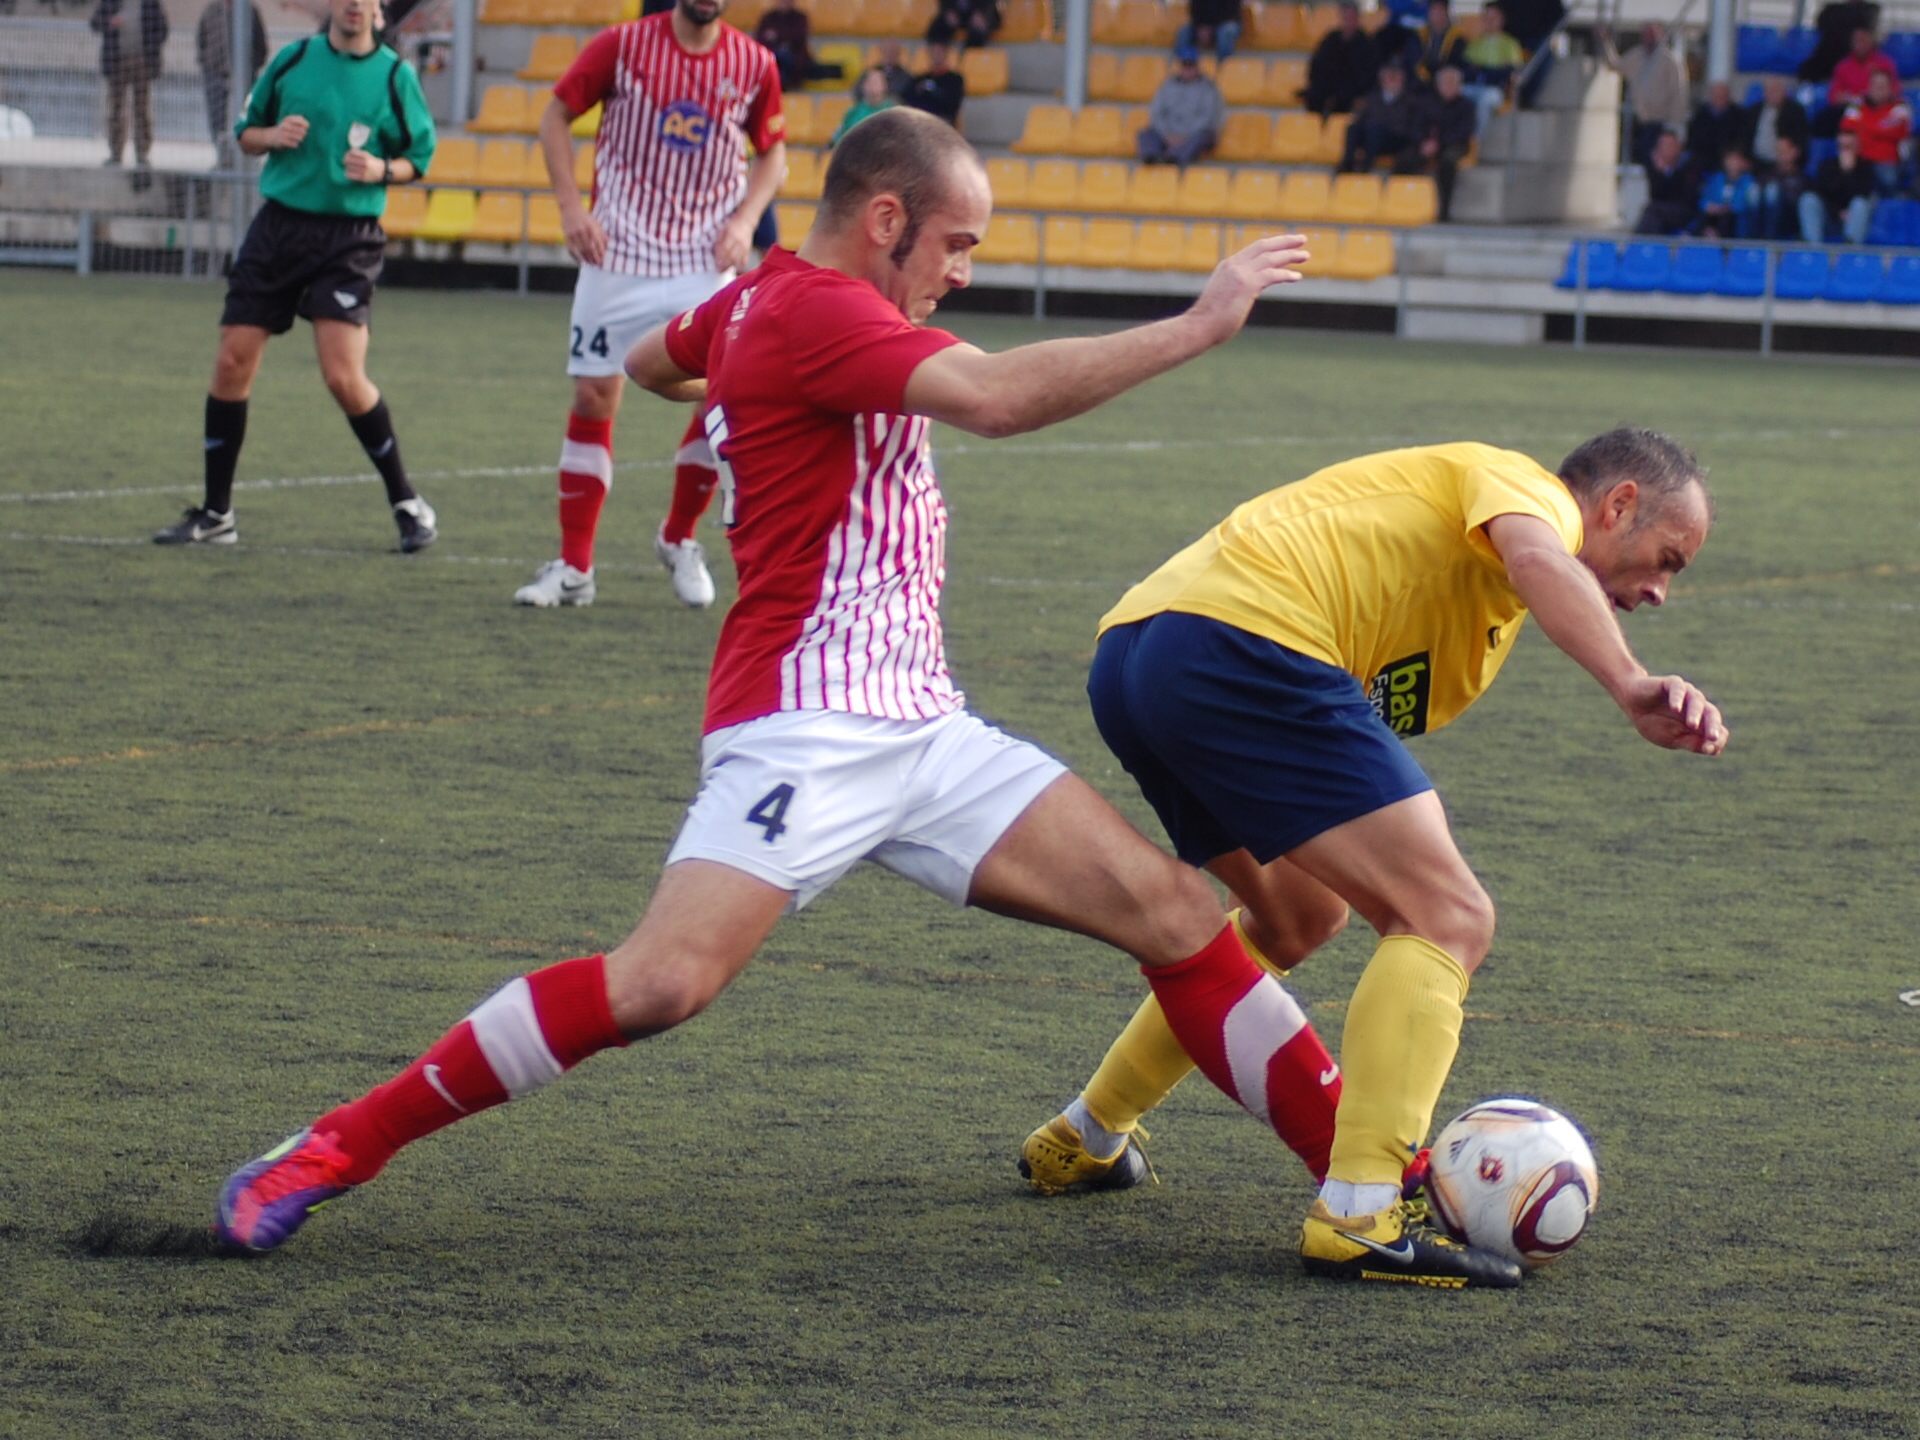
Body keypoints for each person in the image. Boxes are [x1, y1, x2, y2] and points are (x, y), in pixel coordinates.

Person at [209, 108, 1323, 1270]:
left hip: (926, 726)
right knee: (662, 983)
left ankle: (1366, 1183)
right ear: (886, 221)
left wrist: (733, 379)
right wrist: (1201, 322)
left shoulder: (759, 303)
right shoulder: (817, 307)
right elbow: (995, 400)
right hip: (805, 727)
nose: (962, 270)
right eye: (958, 243)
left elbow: (650, 362)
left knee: (1183, 919)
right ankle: (332, 1146)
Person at [1017, 429, 1725, 1291]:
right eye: (1668, 558)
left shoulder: (1476, 618)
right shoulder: (1524, 491)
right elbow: (1543, 557)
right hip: (1245, 642)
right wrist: (1629, 682)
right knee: (1448, 915)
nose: (1658, 590)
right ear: (1617, 505)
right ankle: (1360, 1209)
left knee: (1299, 915)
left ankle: (1086, 1136)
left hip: (1139, 658)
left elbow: (1362, 715)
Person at [513, 0, 785, 611]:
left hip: (703, 262)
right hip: (617, 253)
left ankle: (679, 537)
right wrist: (570, 208)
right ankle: (575, 569)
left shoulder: (755, 63)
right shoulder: (622, 46)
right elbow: (556, 116)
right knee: (592, 396)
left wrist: (746, 220)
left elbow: (774, 152)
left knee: (724, 397)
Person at [152, 0, 438, 550]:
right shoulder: (291, 61)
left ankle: (408, 502)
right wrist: (273, 135)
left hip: (348, 239)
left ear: (377, 10)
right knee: (232, 359)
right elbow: (245, 132)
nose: (355, 6)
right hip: (279, 228)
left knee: (342, 377)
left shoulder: (395, 77)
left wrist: (382, 168)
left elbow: (418, 158)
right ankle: (217, 515)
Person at [1597, 23, 1688, 166]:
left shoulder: (1670, 61)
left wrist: (1674, 127)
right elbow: (1615, 65)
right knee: (1646, 161)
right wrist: (1606, 41)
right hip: (1643, 122)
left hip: (1662, 124)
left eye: (1653, 34)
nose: (1649, 38)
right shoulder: (1636, 56)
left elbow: (1678, 94)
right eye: (1647, 35)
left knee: (1661, 164)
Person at [92, 0, 167, 172]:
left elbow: (162, 29)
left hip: (142, 61)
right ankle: (116, 152)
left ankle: (142, 153)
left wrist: (150, 45)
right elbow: (95, 23)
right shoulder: (110, 3)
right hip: (117, 60)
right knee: (116, 108)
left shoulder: (149, 4)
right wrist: (110, 23)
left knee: (141, 109)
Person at [195, 0, 267, 171]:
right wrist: (206, 62)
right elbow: (201, 38)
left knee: (246, 115)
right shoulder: (212, 11)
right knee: (217, 117)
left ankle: (246, 156)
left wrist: (252, 66)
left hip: (243, 75)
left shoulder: (249, 11)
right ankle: (223, 156)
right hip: (215, 73)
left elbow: (261, 44)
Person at [1406, 63, 1476, 220]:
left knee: (1447, 162)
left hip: (1453, 145)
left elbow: (1464, 131)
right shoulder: (1427, 103)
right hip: (1428, 144)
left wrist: (1439, 144)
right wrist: (1423, 142)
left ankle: (1444, 210)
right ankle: (1406, 202)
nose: (1449, 86)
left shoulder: (1466, 106)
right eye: (1445, 83)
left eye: (1453, 83)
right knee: (1406, 159)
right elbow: (1416, 126)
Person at [1137, 44, 1225, 167]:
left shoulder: (1208, 88)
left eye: (1191, 65)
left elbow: (1208, 117)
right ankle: (1152, 157)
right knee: (1146, 134)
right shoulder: (1167, 85)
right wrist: (1166, 134)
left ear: (1197, 66)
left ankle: (1173, 157)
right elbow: (1156, 113)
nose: (1188, 69)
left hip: (1193, 133)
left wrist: (1185, 136)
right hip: (1168, 133)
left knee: (1205, 136)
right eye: (1185, 65)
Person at [1339, 60, 1419, 173]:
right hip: (1371, 135)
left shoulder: (1411, 102)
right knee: (1353, 128)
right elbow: (1361, 119)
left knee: (1374, 128)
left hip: (1396, 139)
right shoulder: (1371, 99)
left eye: (1395, 77)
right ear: (1382, 80)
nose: (1392, 81)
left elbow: (1410, 127)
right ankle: (1347, 163)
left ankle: (1365, 165)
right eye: (1389, 77)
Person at [1840, 69, 1911, 194]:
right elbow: (1847, 129)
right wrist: (1878, 127)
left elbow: (1896, 131)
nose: (1879, 89)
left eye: (1883, 86)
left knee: (1888, 178)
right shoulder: (1857, 105)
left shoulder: (1900, 107)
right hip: (1860, 161)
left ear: (1890, 88)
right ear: (1869, 87)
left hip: (1887, 162)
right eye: (1875, 85)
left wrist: (1863, 127)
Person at [1302, 0, 1377, 116]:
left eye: (1351, 18)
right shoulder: (1330, 40)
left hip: (1353, 88)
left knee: (1344, 99)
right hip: (1329, 85)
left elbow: (1368, 75)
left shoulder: (1366, 43)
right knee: (1313, 96)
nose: (1348, 22)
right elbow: (1317, 66)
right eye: (1345, 18)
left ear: (1357, 20)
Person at [1804, 125, 1878, 241]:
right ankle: (1813, 248)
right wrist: (1837, 212)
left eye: (1849, 146)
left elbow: (1863, 193)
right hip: (1830, 216)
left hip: (1854, 218)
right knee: (1808, 199)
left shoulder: (1865, 168)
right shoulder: (1827, 166)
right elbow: (1821, 192)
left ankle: (1851, 246)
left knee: (1860, 204)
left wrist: (1849, 172)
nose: (1846, 150)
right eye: (1843, 146)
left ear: (1857, 146)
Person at [1461, 0, 1523, 135]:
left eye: (1493, 17)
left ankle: (1476, 141)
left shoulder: (1510, 44)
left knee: (1484, 100)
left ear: (1501, 20)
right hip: (1474, 86)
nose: (1489, 21)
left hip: (1496, 90)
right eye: (1486, 18)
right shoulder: (1476, 43)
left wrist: (1484, 71)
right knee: (1455, 93)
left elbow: (1509, 71)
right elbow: (1468, 69)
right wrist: (1491, 71)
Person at [754, 0, 841, 92]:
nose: (784, 3)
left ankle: (780, 84)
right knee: (775, 59)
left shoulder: (800, 18)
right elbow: (760, 39)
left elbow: (798, 38)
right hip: (774, 59)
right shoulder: (768, 18)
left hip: (795, 61)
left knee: (783, 59)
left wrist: (776, 36)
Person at [1633, 128, 1699, 234]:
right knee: (1652, 214)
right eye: (1663, 146)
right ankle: (1642, 245)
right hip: (1661, 210)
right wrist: (1660, 174)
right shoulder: (1656, 169)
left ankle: (1638, 243)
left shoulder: (1690, 167)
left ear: (1679, 147)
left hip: (1684, 210)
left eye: (1670, 146)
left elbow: (1685, 195)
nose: (1666, 150)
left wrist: (1668, 173)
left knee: (1653, 211)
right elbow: (1656, 196)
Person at [1745, 74, 1810, 179]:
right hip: (1755, 162)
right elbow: (1745, 136)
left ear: (1784, 92)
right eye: (1769, 91)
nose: (1772, 94)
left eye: (1775, 90)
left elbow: (1801, 139)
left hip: (1782, 164)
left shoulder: (1796, 111)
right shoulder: (1753, 111)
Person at [1828, 24, 1898, 109]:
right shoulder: (1843, 67)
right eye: (1857, 41)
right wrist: (1846, 98)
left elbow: (1895, 91)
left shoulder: (1884, 64)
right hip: (1850, 108)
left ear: (1871, 41)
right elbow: (1834, 95)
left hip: (1878, 108)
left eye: (1863, 40)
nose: (1860, 44)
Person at [1696, 146, 1760, 238]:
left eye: (1736, 159)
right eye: (1730, 159)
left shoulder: (1748, 181)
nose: (1732, 163)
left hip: (1734, 220)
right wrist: (1710, 206)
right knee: (1703, 216)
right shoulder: (1717, 179)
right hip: (1714, 215)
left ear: (1743, 162)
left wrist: (1728, 208)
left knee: (1728, 218)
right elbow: (1704, 200)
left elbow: (1746, 205)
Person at [1685, 81, 1747, 171]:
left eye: (1722, 95)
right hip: (1702, 158)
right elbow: (1692, 138)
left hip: (1727, 159)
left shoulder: (1739, 115)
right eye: (1717, 95)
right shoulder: (1700, 114)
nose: (1719, 98)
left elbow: (1741, 140)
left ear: (1728, 96)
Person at [1411, 0, 1469, 89]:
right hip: (1422, 81)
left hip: (1447, 81)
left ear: (1447, 13)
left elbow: (1457, 63)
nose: (1437, 15)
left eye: (1440, 11)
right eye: (1434, 11)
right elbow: (1415, 59)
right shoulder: (1420, 35)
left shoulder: (1457, 38)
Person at [903, 42, 965, 126]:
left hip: (942, 119)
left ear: (945, 55)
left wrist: (934, 89)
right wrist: (919, 89)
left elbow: (953, 103)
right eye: (934, 53)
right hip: (920, 118)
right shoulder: (920, 78)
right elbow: (908, 97)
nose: (936, 56)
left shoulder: (954, 79)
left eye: (940, 53)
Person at [1761, 133, 1811, 237]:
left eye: (1784, 151)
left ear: (1795, 152)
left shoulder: (1803, 179)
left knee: (1773, 191)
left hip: (1791, 221)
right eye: (1778, 151)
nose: (1780, 155)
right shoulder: (1766, 176)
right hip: (1766, 221)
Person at [833, 64, 897, 144]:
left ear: (885, 86)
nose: (873, 85)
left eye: (877, 81)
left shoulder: (894, 112)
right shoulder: (853, 112)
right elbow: (839, 139)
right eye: (870, 81)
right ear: (863, 86)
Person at [1177, 0, 1242, 63]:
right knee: (1184, 33)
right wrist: (1200, 26)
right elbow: (1194, 9)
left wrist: (1211, 28)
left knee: (1225, 33)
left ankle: (1224, 68)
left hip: (1228, 22)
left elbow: (1231, 12)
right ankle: (1182, 67)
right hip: (1202, 25)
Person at [927, 0, 999, 48]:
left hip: (981, 12)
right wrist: (948, 10)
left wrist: (982, 13)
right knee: (938, 28)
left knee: (978, 32)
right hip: (956, 11)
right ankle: (939, 61)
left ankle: (968, 61)